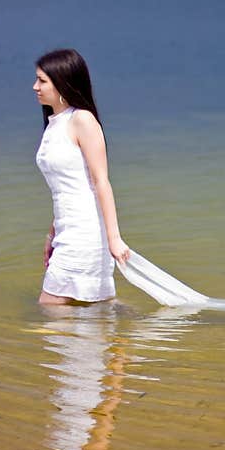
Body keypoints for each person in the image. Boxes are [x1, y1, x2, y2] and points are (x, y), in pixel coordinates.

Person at [33, 48, 130, 305]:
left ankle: (128, 333)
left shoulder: (82, 120)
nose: (35, 87)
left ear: (62, 82)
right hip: (67, 228)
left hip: (85, 230)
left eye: (42, 80)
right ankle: (120, 334)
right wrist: (52, 234)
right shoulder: (55, 124)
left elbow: (100, 181)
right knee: (91, 309)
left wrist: (114, 238)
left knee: (50, 307)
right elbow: (66, 187)